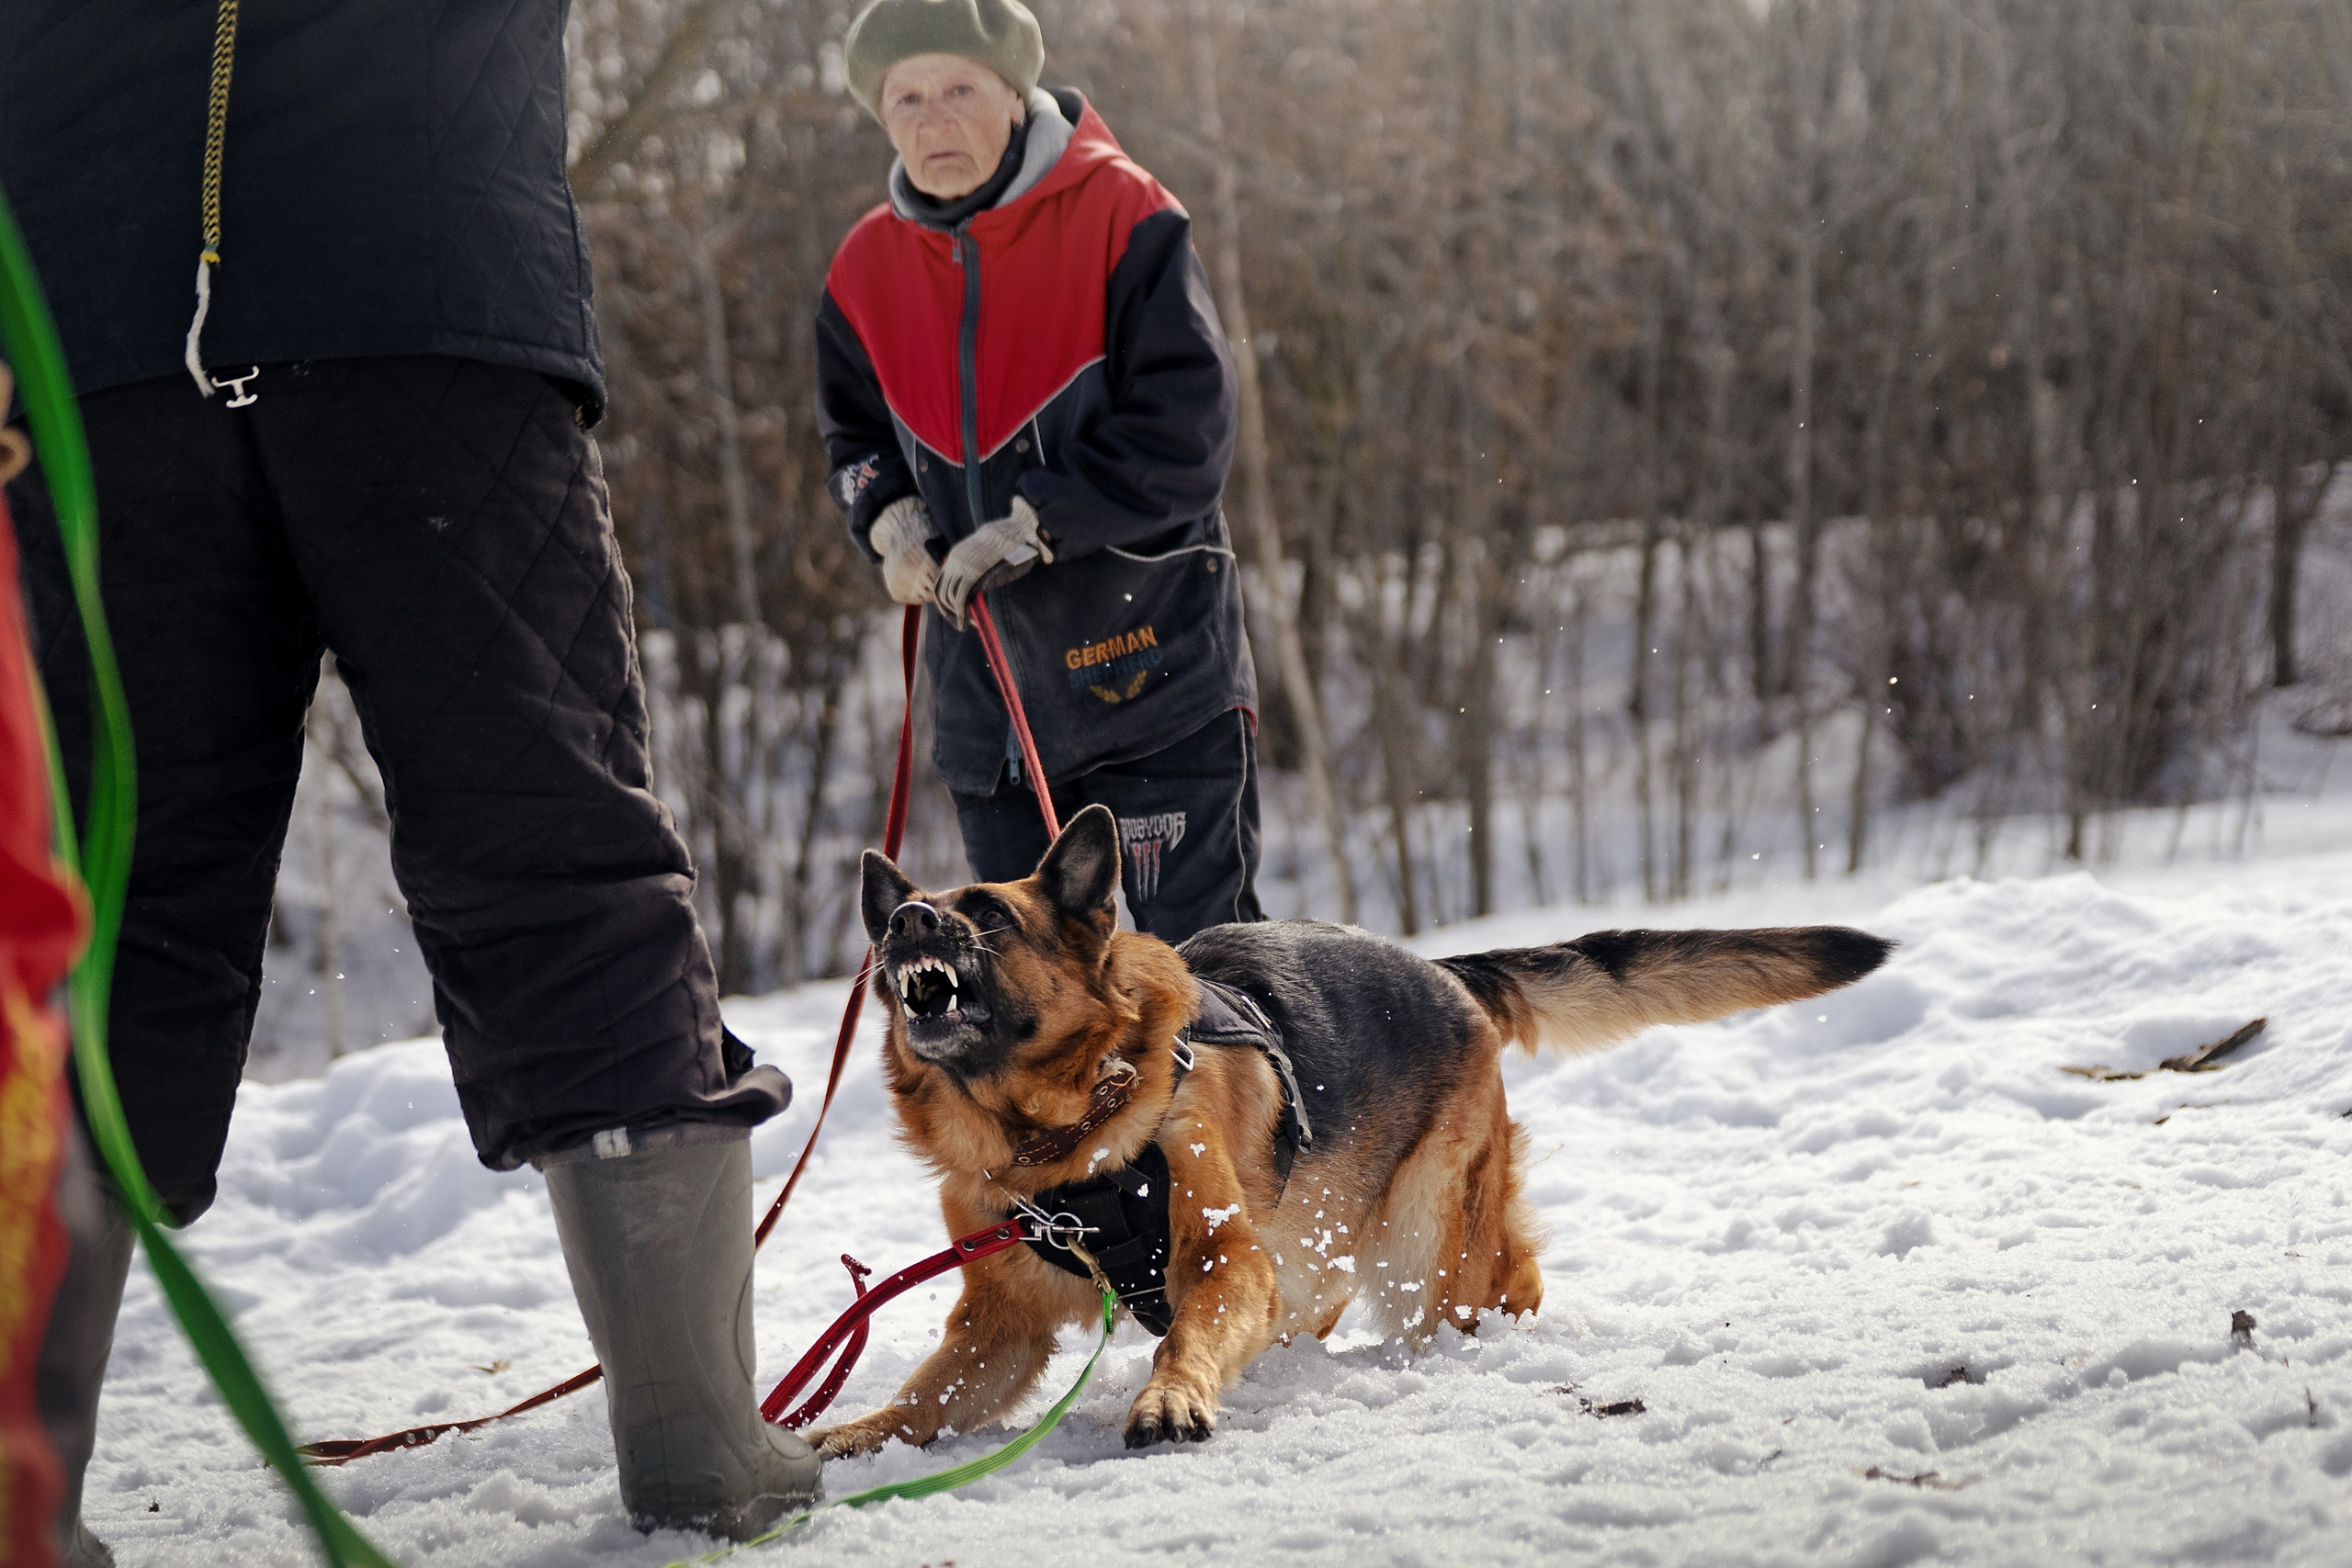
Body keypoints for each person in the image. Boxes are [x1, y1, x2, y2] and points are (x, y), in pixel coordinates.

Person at [0, 4, 818, 1556]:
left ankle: (13, 1480)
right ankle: (697, 1435)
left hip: (98, 325)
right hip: (422, 288)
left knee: (119, 898)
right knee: (548, 837)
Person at [819, 0, 1265, 942]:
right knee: (1035, 995)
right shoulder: (862, 270)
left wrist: (1041, 522)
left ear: (1014, 95)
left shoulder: (1123, 212)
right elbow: (849, 438)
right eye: (905, 98)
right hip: (991, 710)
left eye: (958, 90)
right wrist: (888, 519)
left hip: (1152, 669)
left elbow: (1188, 434)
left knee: (1204, 967)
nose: (931, 120)